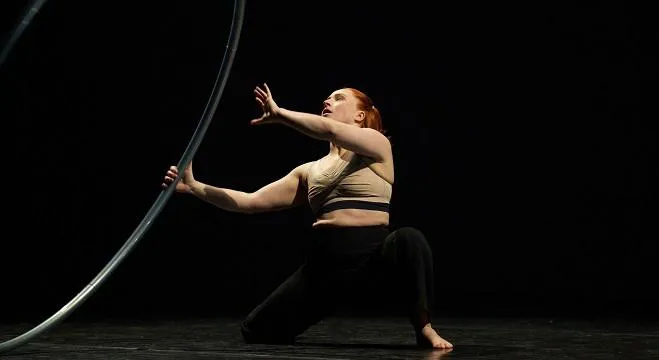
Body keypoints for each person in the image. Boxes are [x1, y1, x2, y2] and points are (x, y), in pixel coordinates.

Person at [162, 83, 453, 349]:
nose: (328, 101)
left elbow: (330, 130)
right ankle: (311, 311)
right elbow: (250, 202)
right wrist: (196, 187)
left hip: (373, 258)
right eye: (327, 98)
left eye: (339, 98)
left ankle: (423, 326)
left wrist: (280, 113)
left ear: (360, 116)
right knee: (256, 330)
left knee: (409, 239)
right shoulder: (309, 171)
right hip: (325, 267)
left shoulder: (376, 145)